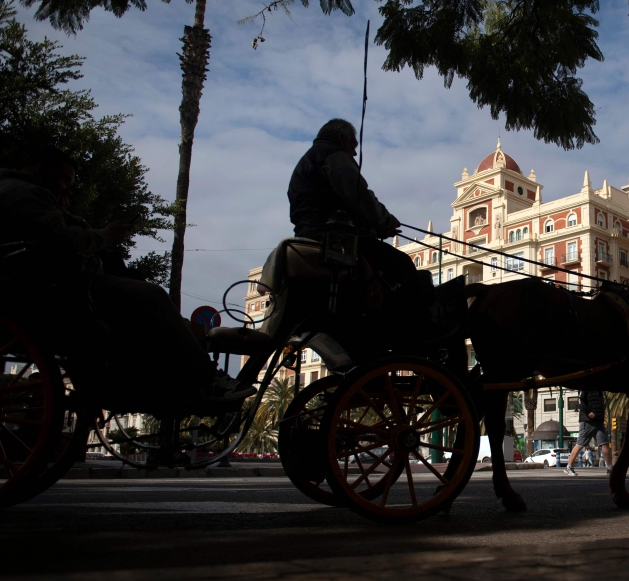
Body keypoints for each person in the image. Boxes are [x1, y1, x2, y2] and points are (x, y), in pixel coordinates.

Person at [0, 145, 254, 405]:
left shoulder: (19, 191)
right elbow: (66, 240)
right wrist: (107, 235)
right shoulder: (24, 193)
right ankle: (205, 378)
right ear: (41, 170)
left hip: (47, 286)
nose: (67, 187)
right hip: (52, 291)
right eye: (64, 179)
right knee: (151, 296)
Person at [287, 119, 431, 339]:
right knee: (401, 265)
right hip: (335, 238)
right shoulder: (333, 155)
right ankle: (414, 331)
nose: (354, 154)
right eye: (354, 146)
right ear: (342, 139)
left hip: (310, 233)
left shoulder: (306, 161)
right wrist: (384, 220)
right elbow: (358, 194)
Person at [564, 391, 613, 476]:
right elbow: (580, 401)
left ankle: (610, 468)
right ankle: (569, 466)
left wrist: (602, 416)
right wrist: (588, 412)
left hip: (599, 421)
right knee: (580, 444)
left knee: (605, 443)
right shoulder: (584, 386)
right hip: (587, 421)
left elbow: (600, 402)